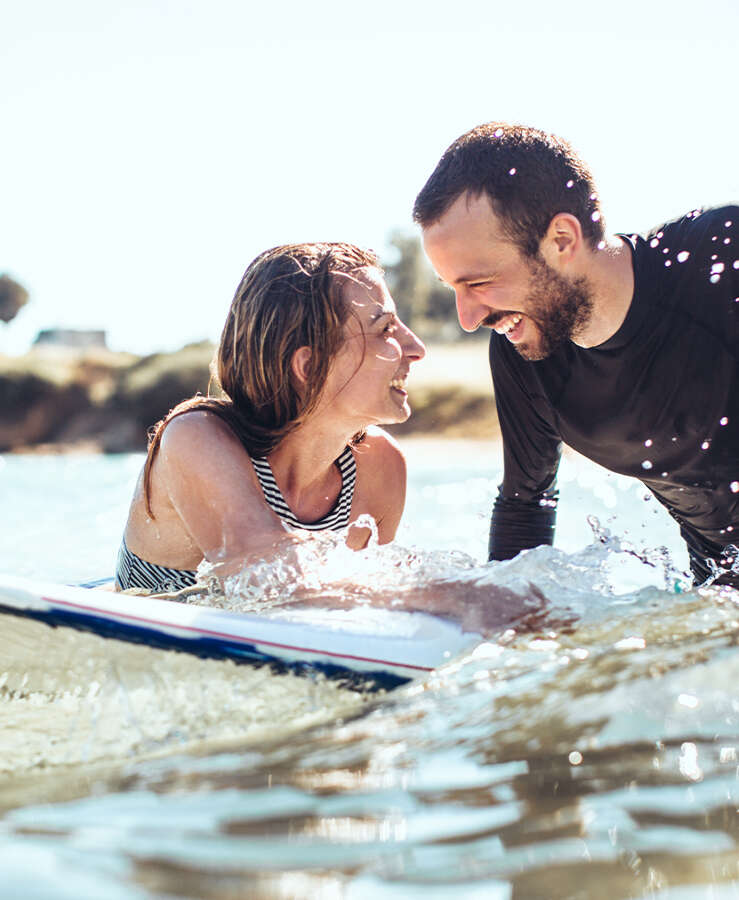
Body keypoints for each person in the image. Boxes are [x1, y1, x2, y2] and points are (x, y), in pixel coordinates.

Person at [414, 122, 739, 587]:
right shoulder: (524, 355)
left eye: (479, 282)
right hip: (721, 594)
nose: (467, 317)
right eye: (453, 289)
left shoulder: (720, 259)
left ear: (562, 240)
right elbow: (525, 506)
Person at [116, 242, 426, 594]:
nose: (416, 348)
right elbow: (269, 579)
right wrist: (461, 599)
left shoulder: (379, 466)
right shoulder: (196, 437)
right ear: (310, 367)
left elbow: (360, 615)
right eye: (386, 329)